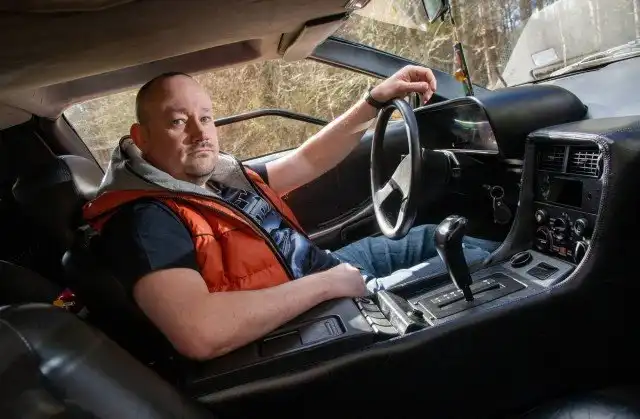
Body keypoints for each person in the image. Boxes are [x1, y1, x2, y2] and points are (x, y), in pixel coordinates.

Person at [84, 66, 499, 360]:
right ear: (141, 138)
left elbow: (305, 162)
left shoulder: (211, 180)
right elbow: (200, 332)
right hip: (316, 312)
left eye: (205, 118)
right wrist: (326, 286)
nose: (200, 133)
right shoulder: (146, 220)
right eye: (178, 122)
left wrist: (373, 102)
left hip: (320, 271)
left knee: (436, 237)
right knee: (483, 267)